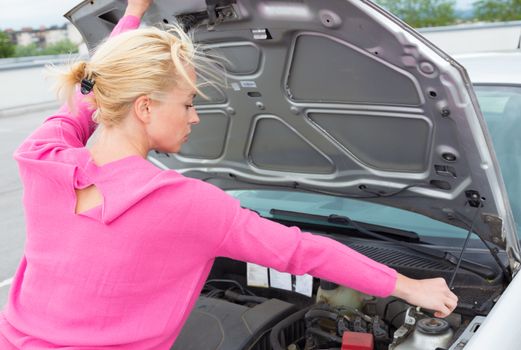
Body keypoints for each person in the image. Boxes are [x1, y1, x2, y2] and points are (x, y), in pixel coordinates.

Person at [0, 0, 457, 348]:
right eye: (187, 102)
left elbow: (92, 90)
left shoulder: (41, 155)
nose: (195, 116)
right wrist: (408, 285)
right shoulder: (183, 205)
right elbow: (302, 251)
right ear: (144, 107)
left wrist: (135, 13)